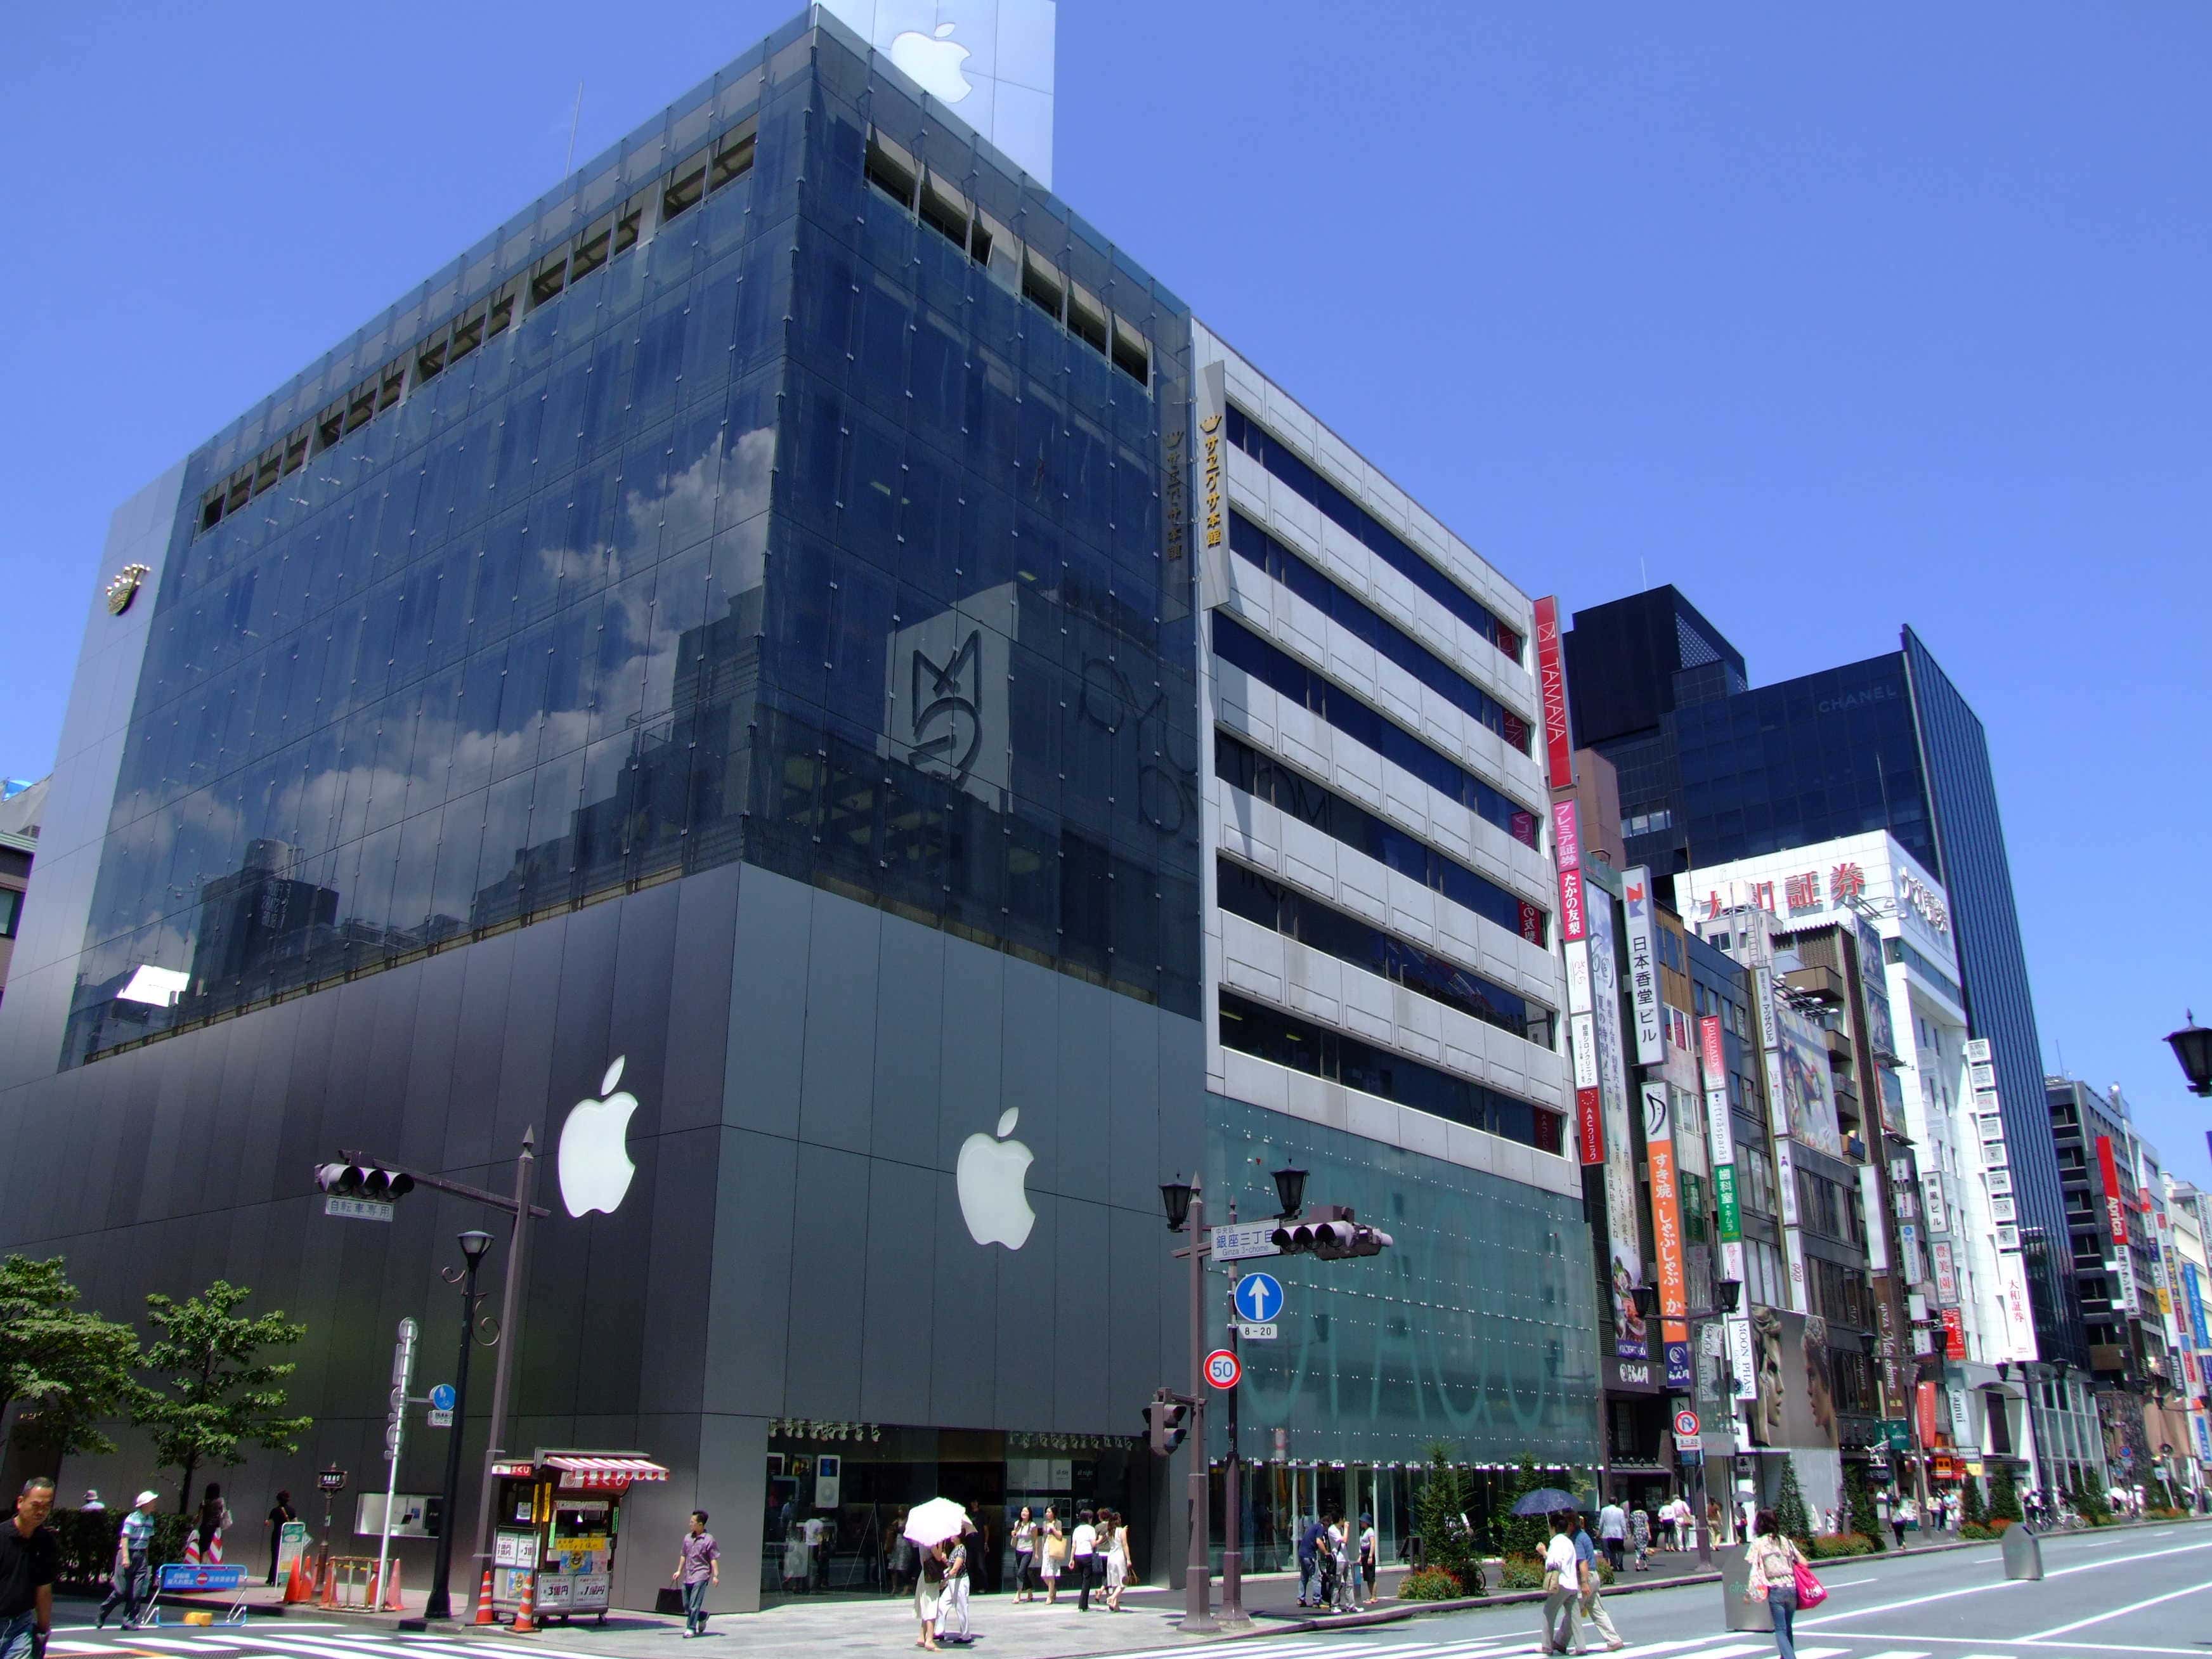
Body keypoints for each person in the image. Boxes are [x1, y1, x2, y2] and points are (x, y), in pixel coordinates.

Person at [1, 1479, 58, 1659]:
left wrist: (43, 1629)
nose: (41, 1512)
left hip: (20, 1625)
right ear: (20, 1502)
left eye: (47, 1507)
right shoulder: (1, 1536)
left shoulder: (46, 1543)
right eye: (36, 1505)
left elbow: (44, 1590)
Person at [1745, 1509, 1808, 1659]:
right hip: (1792, 1588)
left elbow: (1753, 1566)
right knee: (1787, 1627)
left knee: (1780, 1629)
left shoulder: (1758, 1543)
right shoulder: (1785, 1541)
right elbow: (1804, 1562)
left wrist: (1749, 1593)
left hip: (1776, 1589)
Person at [96, 1492, 159, 1630]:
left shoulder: (150, 1520)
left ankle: (129, 1620)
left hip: (141, 1556)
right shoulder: (132, 1519)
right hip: (127, 1553)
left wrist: (146, 1559)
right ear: (145, 1504)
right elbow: (125, 1538)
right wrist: (125, 1557)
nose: (155, 1504)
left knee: (136, 1592)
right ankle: (103, 1611)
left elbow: (147, 1540)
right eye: (153, 1501)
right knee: (121, 1591)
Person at [1572, 1511, 1623, 1651]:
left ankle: (1561, 1642)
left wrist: (1583, 1583)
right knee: (1596, 1609)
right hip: (1594, 1575)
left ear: (1571, 1524)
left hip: (1586, 1576)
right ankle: (1613, 1639)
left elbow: (1582, 1562)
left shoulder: (1577, 1538)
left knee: (1574, 1610)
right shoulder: (1584, 1535)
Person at [671, 1510, 719, 1637]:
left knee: (694, 1604)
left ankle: (691, 1628)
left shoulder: (709, 1540)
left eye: (692, 1522)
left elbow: (713, 1558)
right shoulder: (687, 1538)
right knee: (686, 1605)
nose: (690, 1524)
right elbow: (683, 1555)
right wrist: (679, 1571)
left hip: (701, 1575)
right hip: (688, 1576)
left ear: (700, 1524)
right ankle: (702, 1616)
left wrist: (715, 1575)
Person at [1540, 1513, 1580, 1657]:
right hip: (1573, 1584)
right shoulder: (1569, 1542)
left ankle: (1547, 1646)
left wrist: (1544, 1552)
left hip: (1561, 1582)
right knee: (1574, 1616)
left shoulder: (1556, 1542)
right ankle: (1581, 1646)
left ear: (1553, 1528)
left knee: (1549, 1612)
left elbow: (1554, 1563)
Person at [937, 1527, 972, 1645]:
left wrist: (944, 1581)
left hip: (960, 1581)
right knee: (942, 1604)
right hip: (953, 1581)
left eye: (954, 1535)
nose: (951, 1536)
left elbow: (956, 1568)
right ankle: (939, 1631)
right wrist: (945, 1561)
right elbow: (951, 1566)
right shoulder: (955, 1549)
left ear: (959, 1537)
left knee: (961, 1607)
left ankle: (966, 1635)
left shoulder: (961, 1549)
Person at [916, 1540, 946, 1651]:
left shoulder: (922, 1539)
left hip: (924, 1574)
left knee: (926, 1605)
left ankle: (922, 1636)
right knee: (932, 1606)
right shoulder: (931, 1540)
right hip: (930, 1575)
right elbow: (938, 1557)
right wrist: (941, 1544)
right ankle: (929, 1640)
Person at [264, 1490, 297, 1587]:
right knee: (285, 1557)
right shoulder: (292, 1510)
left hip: (277, 1535)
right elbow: (296, 1523)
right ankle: (283, 1577)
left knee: (275, 1557)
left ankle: (272, 1578)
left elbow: (268, 1523)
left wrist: (267, 1522)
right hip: (288, 1536)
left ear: (278, 1500)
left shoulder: (274, 1511)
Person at [1070, 1510, 1098, 1613]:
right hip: (1087, 1555)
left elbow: (1074, 1545)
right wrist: (1101, 1539)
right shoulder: (1091, 1529)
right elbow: (1094, 1544)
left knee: (1084, 1579)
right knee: (1087, 1580)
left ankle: (1084, 1604)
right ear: (1089, 1519)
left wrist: (1071, 1559)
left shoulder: (1077, 1530)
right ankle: (1082, 1605)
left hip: (1078, 1556)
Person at [195, 1483, 230, 1563]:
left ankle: (201, 1564)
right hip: (215, 1529)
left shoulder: (204, 1502)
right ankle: (209, 1566)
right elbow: (223, 1513)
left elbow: (199, 1517)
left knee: (203, 1548)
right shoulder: (220, 1501)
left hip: (204, 1528)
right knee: (214, 1548)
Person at [1103, 1509, 1130, 1611]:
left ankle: (1116, 1605)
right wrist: (1129, 1559)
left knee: (1115, 1582)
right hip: (1119, 1557)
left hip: (1111, 1557)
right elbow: (1125, 1545)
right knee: (1124, 1582)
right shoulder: (1121, 1531)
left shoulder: (1108, 1533)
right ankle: (1112, 1598)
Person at [1297, 1513, 1324, 1607]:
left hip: (1301, 1553)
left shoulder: (1313, 1527)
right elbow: (1319, 1542)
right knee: (1316, 1577)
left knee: (1304, 1577)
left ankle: (1301, 1599)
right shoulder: (1320, 1528)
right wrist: (1326, 1553)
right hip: (1309, 1555)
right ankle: (1317, 1600)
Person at [1039, 1508, 1064, 1604]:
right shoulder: (1045, 1523)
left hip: (1054, 1547)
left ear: (1054, 1513)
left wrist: (1053, 1528)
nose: (1047, 1513)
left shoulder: (1058, 1523)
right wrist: (1042, 1548)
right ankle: (1053, 1590)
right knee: (1044, 1574)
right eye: (1046, 1512)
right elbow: (1044, 1537)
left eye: (1049, 1512)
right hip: (1046, 1548)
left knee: (1051, 1573)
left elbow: (1060, 1536)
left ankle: (1049, 1596)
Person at [1597, 1499, 1627, 1572]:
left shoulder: (1604, 1510)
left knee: (1612, 1550)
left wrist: (1600, 1531)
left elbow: (1601, 1522)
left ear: (1609, 1502)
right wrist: (1625, 1533)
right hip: (1618, 1533)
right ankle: (1619, 1563)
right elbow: (1623, 1522)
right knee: (1620, 1549)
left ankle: (1614, 1565)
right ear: (1616, 1502)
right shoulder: (1620, 1511)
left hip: (1608, 1533)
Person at [1358, 1514, 1379, 1606]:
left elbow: (1373, 1543)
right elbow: (1361, 1544)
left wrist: (1371, 1556)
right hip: (1364, 1555)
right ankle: (1371, 1596)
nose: (1361, 1523)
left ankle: (1374, 1596)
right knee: (1367, 1577)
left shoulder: (1370, 1531)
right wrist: (1360, 1556)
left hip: (1369, 1555)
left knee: (1371, 1577)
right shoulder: (1363, 1532)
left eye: (1362, 1521)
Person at [1629, 1504, 1651, 1571]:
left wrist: (1632, 1532)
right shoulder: (1644, 1513)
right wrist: (1649, 1534)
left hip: (1637, 1531)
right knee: (1644, 1547)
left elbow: (1631, 1524)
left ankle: (1637, 1561)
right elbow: (1646, 1524)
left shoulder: (1633, 1514)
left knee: (1638, 1548)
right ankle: (1645, 1564)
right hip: (1644, 1531)